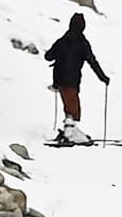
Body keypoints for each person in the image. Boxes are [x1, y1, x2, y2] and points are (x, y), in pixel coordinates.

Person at [45, 11, 109, 143]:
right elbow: (92, 62)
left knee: (69, 105)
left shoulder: (62, 41)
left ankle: (70, 130)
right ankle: (70, 133)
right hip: (73, 80)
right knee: (73, 107)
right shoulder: (83, 43)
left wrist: (58, 55)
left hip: (58, 79)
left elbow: (48, 56)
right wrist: (103, 78)